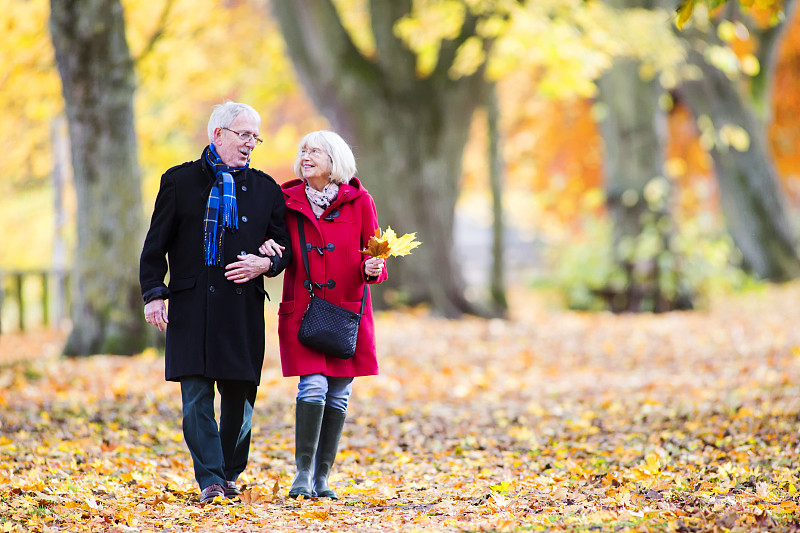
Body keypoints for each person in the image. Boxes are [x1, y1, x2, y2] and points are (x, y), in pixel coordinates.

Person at [139, 101, 291, 503]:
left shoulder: (266, 189)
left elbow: (283, 249)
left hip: (241, 310)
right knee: (196, 398)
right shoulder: (178, 181)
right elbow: (155, 246)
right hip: (191, 307)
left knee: (240, 398)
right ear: (218, 134)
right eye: (244, 135)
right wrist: (154, 292)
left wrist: (266, 262)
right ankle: (210, 479)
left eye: (255, 137)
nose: (251, 144)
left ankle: (229, 470)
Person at [260, 130, 387, 499]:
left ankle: (322, 478)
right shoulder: (286, 200)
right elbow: (275, 244)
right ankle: (302, 473)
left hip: (347, 309)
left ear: (336, 160)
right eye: (303, 149)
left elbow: (373, 251)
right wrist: (266, 248)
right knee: (312, 385)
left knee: (340, 393)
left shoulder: (360, 201)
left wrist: (373, 268)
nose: (306, 155)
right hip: (304, 308)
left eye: (316, 150)